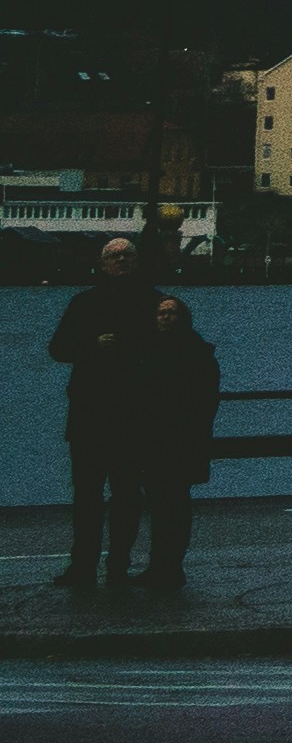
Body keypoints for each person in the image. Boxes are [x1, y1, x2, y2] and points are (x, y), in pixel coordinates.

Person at [45, 225, 176, 595]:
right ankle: (84, 564)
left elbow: (173, 349)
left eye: (127, 255)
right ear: (101, 264)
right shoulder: (83, 303)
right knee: (87, 494)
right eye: (114, 256)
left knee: (125, 495)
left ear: (137, 262)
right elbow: (57, 349)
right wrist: (92, 345)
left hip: (133, 415)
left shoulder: (155, 302)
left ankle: (117, 563)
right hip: (91, 413)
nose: (121, 260)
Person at [105, 282, 227, 593]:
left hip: (177, 442)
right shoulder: (154, 351)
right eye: (160, 313)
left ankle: (170, 566)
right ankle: (161, 566)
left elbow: (203, 401)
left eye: (171, 313)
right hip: (152, 441)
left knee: (172, 506)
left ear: (182, 318)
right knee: (162, 506)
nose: (164, 318)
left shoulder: (194, 353)